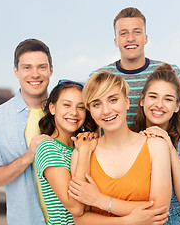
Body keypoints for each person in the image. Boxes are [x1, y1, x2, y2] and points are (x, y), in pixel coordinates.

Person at [69, 71, 172, 224]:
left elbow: (159, 211)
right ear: (90, 111)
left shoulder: (156, 146)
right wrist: (128, 221)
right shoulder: (82, 153)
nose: (106, 110)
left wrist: (100, 200)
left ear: (127, 101)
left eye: (113, 100)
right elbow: (80, 219)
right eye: (97, 104)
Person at [0, 38, 53, 225]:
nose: (35, 74)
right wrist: (28, 157)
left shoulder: (68, 113)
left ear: (51, 70)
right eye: (27, 67)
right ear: (16, 71)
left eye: (41, 67)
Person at [90, 7, 180, 138]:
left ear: (145, 38)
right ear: (116, 41)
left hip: (161, 151)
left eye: (137, 32)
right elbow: (92, 123)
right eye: (123, 33)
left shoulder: (171, 73)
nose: (130, 38)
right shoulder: (98, 77)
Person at [134, 64, 180, 224]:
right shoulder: (131, 138)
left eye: (168, 99)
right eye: (153, 97)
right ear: (142, 100)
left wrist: (168, 145)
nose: (159, 105)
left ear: (177, 106)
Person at [34, 79, 98, 225]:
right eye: (66, 105)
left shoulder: (80, 144)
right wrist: (84, 151)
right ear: (52, 108)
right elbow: (75, 207)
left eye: (80, 107)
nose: (74, 112)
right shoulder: (48, 147)